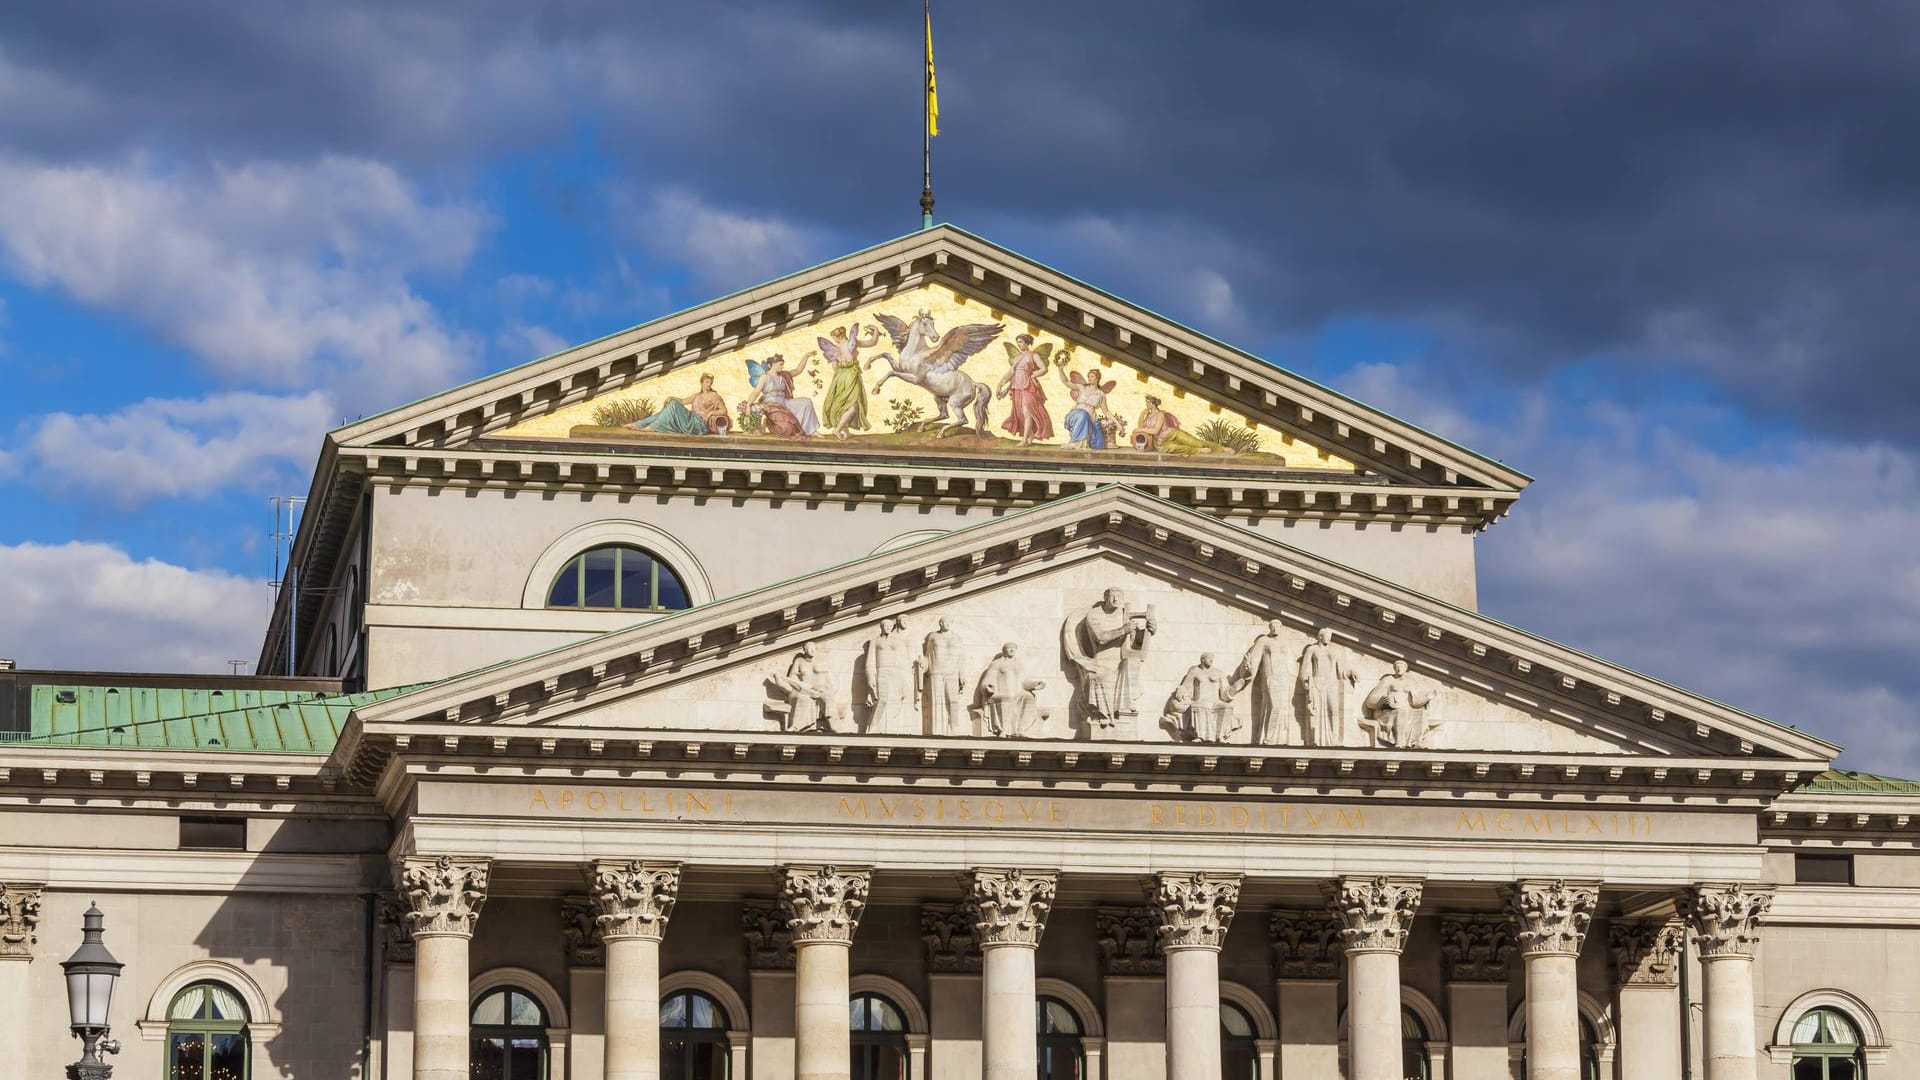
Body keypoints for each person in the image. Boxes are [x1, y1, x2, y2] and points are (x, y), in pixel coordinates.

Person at [817, 323, 881, 439]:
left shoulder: (835, 348)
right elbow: (872, 342)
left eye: (834, 338)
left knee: (842, 404)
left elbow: (835, 367)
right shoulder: (853, 343)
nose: (835, 341)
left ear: (838, 337)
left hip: (840, 377)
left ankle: (845, 430)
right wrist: (876, 330)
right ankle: (837, 430)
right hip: (851, 375)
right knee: (853, 406)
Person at [1236, 619, 1294, 745]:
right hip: (1270, 677)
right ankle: (1268, 737)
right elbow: (1254, 659)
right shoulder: (1263, 641)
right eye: (1272, 626)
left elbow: (1291, 664)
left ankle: (1280, 739)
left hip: (1284, 679)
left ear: (1281, 627)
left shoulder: (1285, 643)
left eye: (1278, 625)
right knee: (1274, 705)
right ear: (1269, 627)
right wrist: (1248, 669)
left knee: (1282, 708)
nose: (1275, 628)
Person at [1298, 628, 1357, 747]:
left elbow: (1341, 671)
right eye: (1326, 635)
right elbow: (1305, 668)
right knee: (1314, 711)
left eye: (1330, 635)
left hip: (1331, 684)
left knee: (1333, 710)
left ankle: (1334, 740)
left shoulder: (1334, 651)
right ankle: (1314, 739)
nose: (1329, 638)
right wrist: (1306, 681)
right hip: (1316, 683)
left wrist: (1350, 673)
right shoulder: (1312, 649)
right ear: (1320, 637)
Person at [1169, 653, 1241, 743]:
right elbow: (1186, 686)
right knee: (1200, 706)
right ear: (1202, 659)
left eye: (1212, 658)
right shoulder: (1194, 671)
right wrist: (1180, 691)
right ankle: (1200, 736)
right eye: (1209, 658)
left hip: (1215, 702)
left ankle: (1220, 736)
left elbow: (1224, 694)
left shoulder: (1218, 673)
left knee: (1227, 707)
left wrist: (1234, 689)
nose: (1212, 660)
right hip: (1200, 701)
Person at [1362, 659, 1435, 748]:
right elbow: (1370, 701)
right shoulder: (1388, 680)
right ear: (1394, 669)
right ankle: (1400, 741)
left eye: (1402, 667)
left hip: (1405, 710)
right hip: (1386, 712)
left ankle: (1417, 742)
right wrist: (1383, 701)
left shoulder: (1409, 683)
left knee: (1421, 713)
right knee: (1401, 710)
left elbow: (1414, 702)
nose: (1399, 669)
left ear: (1405, 669)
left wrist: (1427, 698)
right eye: (1397, 667)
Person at [996, 334, 1054, 445]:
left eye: (1021, 342)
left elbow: (1043, 368)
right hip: (1017, 387)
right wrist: (1000, 384)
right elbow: (1010, 373)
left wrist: (1033, 376)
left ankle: (1024, 440)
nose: (1019, 344)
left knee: (1027, 412)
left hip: (1028, 387)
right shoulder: (1016, 358)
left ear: (1027, 343)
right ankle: (1030, 437)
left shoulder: (1033, 355)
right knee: (1020, 414)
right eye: (1017, 342)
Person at [627, 373, 729, 436]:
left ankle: (651, 427)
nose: (709, 384)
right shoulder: (697, 395)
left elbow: (724, 411)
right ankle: (638, 424)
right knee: (671, 404)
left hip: (698, 424)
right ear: (701, 383)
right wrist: (672, 397)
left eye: (710, 382)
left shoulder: (714, 396)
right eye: (707, 382)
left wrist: (711, 413)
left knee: (673, 405)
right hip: (690, 419)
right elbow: (684, 401)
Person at [745, 354, 821, 437]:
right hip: (771, 405)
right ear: (773, 364)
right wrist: (748, 404)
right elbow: (756, 391)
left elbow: (798, 370)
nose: (782, 367)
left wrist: (806, 357)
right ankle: (768, 423)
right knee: (787, 429)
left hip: (784, 402)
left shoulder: (783, 376)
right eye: (780, 364)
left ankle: (811, 431)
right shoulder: (765, 377)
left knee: (807, 402)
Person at [921, 617, 968, 735]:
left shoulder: (957, 638)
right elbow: (927, 655)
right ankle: (936, 730)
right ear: (940, 623)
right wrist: (922, 664)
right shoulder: (933, 636)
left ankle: (954, 728)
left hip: (952, 671)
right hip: (936, 671)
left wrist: (962, 674)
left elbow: (961, 657)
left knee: (953, 700)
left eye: (949, 622)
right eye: (944, 622)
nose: (947, 624)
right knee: (936, 701)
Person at [1135, 396, 1222, 455]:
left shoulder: (1160, 414)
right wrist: (1142, 415)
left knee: (1195, 442)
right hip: (1161, 442)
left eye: (1148, 402)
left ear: (1153, 404)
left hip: (1172, 434)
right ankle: (1198, 451)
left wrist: (1142, 429)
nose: (1146, 404)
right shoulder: (1148, 415)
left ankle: (1221, 448)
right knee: (1175, 448)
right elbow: (1140, 428)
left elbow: (1155, 431)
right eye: (1146, 402)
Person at [1059, 367, 1115, 449]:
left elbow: (1106, 411)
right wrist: (1060, 368)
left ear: (1097, 378)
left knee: (1099, 446)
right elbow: (1066, 382)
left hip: (1091, 420)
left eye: (1091, 376)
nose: (1089, 378)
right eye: (1088, 376)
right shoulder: (1082, 387)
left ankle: (1083, 444)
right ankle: (1075, 442)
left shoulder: (1101, 394)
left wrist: (1118, 424)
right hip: (1076, 414)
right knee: (1083, 415)